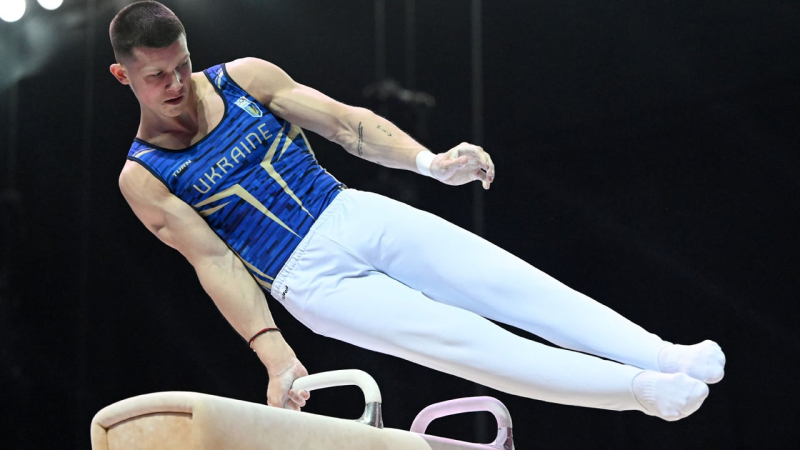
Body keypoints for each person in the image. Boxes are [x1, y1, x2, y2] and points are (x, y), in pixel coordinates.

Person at [109, 1, 725, 421]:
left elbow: (349, 125)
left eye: (182, 65)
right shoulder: (143, 177)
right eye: (157, 75)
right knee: (468, 342)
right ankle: (638, 391)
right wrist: (276, 356)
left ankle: (663, 353)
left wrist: (430, 163)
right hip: (311, 283)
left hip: (349, 211)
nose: (176, 85)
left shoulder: (245, 77)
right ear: (123, 76)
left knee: (509, 283)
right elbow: (215, 262)